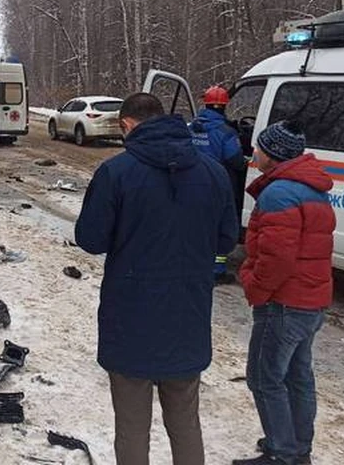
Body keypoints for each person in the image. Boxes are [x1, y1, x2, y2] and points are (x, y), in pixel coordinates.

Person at [75, 92, 238, 465]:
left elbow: (90, 239)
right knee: (185, 423)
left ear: (127, 124)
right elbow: (227, 239)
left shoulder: (116, 172)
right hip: (188, 316)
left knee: (132, 427)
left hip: (129, 320)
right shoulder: (212, 171)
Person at [232, 121, 335, 465]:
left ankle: (282, 452)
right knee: (297, 375)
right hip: (310, 302)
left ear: (273, 155)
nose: (254, 153)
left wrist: (253, 285)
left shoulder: (278, 194)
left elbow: (275, 259)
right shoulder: (312, 189)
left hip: (284, 303)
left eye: (259, 148)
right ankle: (297, 446)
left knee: (263, 376)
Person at [189, 85, 247, 283]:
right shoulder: (226, 132)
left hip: (193, 182)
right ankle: (217, 269)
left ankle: (194, 260)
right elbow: (235, 160)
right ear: (224, 106)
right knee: (219, 226)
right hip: (219, 184)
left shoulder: (192, 127)